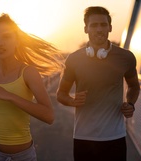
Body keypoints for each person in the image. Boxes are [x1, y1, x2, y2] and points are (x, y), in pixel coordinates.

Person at [0, 13, 63, 161]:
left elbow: (48, 116)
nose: (0, 43)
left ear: (16, 41)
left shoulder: (28, 73)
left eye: (6, 37)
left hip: (22, 155)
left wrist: (10, 96)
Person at [56, 6, 140, 161]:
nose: (99, 29)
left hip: (116, 137)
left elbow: (134, 86)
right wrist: (72, 100)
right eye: (94, 25)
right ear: (86, 29)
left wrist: (131, 104)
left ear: (110, 27)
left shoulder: (126, 57)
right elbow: (61, 94)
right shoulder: (74, 59)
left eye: (103, 24)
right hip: (83, 137)